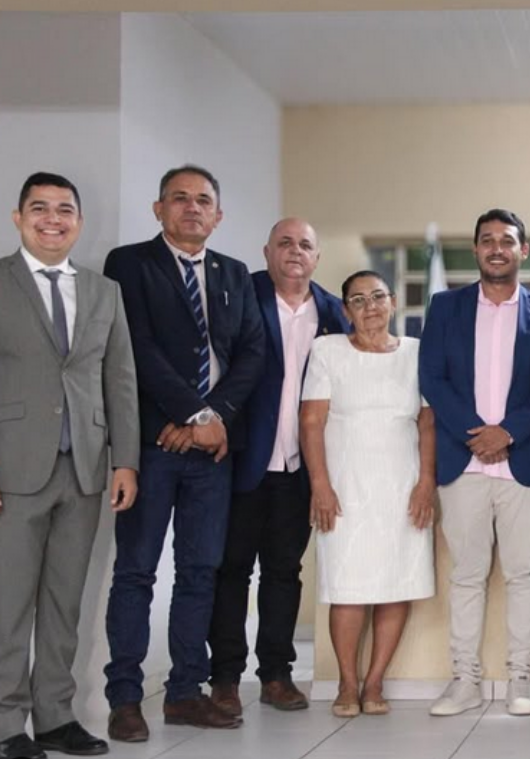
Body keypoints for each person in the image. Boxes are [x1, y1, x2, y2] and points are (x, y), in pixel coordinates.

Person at [102, 165, 265, 741]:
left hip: (213, 452)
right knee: (136, 571)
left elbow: (251, 352)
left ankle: (184, 693)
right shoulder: (129, 264)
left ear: (218, 215)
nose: (192, 208)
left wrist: (212, 418)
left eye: (202, 200)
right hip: (153, 445)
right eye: (179, 198)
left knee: (200, 572)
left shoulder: (234, 273)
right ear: (159, 209)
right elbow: (136, 348)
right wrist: (193, 416)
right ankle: (125, 699)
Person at [0, 173, 139, 759]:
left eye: (64, 210)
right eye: (40, 208)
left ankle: (54, 716)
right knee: (7, 603)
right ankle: (3, 724)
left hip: (84, 468)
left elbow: (120, 379)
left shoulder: (104, 292)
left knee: (64, 601)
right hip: (11, 470)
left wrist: (125, 461)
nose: (52, 219)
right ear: (18, 217)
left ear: (78, 221)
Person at [207, 218, 351, 717]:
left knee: (284, 572)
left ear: (317, 257)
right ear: (266, 251)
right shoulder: (238, 296)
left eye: (305, 245)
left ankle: (276, 674)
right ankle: (225, 678)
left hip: (300, 467)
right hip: (241, 459)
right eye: (284, 243)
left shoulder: (333, 312)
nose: (295, 251)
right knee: (231, 571)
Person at [419, 209, 530, 717]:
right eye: (487, 240)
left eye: (507, 240)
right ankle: (464, 681)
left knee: (524, 574)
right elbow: (432, 378)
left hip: (524, 463)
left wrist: (508, 432)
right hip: (464, 462)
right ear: (475, 249)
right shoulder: (445, 306)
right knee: (466, 577)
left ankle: (522, 680)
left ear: (523, 250)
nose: (497, 248)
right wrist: (477, 436)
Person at [299, 271, 436, 718]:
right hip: (345, 489)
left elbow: (427, 424)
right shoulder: (328, 351)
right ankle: (346, 682)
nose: (370, 306)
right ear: (345, 311)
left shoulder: (416, 353)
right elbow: (311, 423)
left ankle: (374, 681)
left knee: (397, 584)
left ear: (393, 302)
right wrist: (320, 484)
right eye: (358, 300)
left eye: (378, 297)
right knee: (348, 588)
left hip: (402, 487)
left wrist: (426, 482)